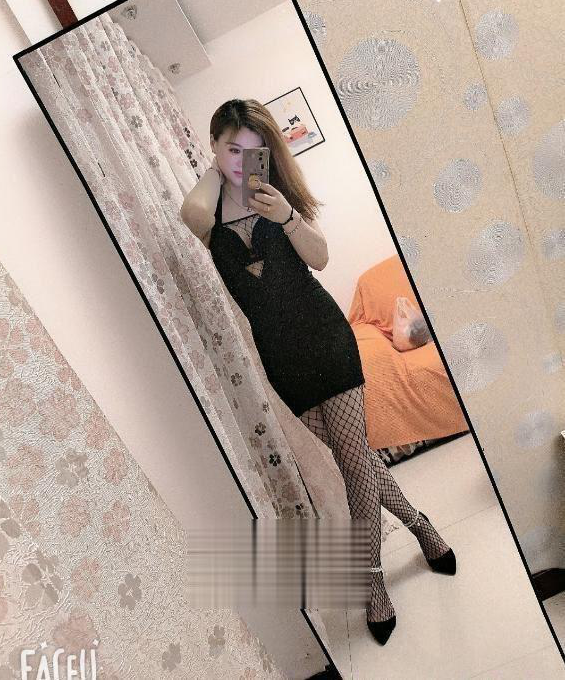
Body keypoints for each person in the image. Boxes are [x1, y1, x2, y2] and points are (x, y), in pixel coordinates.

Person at [181, 98, 456, 645]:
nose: (242, 160)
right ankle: (421, 525)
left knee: (354, 464)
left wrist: (284, 215)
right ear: (213, 147)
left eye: (254, 150)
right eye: (232, 148)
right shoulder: (207, 214)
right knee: (359, 461)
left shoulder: (278, 199)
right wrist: (218, 168)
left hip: (328, 340)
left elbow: (321, 259)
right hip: (282, 359)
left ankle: (371, 579)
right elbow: (190, 212)